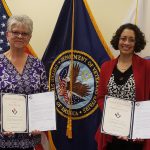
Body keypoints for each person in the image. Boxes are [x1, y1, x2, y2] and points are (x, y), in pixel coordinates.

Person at [95, 23, 150, 150]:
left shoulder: (146, 67)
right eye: (123, 38)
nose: (126, 43)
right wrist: (115, 118)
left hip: (135, 136)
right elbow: (101, 97)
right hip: (111, 132)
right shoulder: (106, 67)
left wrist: (139, 126)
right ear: (118, 40)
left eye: (131, 40)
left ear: (137, 43)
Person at [0, 15, 48, 149]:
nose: (20, 36)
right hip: (3, 138)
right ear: (7, 34)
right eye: (15, 32)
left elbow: (42, 97)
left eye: (24, 33)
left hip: (30, 137)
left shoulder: (37, 65)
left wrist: (41, 122)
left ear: (29, 37)